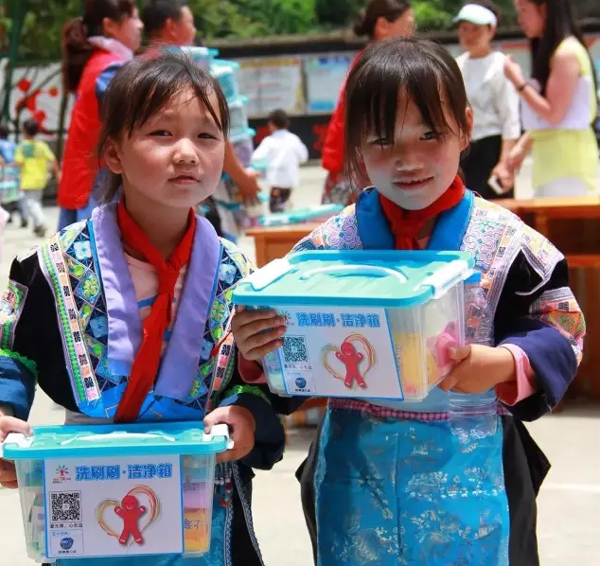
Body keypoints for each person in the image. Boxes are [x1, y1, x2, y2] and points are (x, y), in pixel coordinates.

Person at [232, 38, 585, 565]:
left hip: (475, 479)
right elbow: (285, 357)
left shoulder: (507, 244)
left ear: (465, 127)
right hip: (354, 485)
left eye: (429, 134)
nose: (408, 159)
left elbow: (561, 326)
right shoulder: (326, 251)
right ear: (356, 146)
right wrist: (259, 350)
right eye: (382, 140)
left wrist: (504, 363)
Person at [0, 52, 298, 566]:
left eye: (207, 136)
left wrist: (247, 413)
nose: (187, 153)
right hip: (89, 487)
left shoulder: (242, 277)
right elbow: (11, 353)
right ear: (113, 153)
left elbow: (260, 377)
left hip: (206, 499)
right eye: (162, 133)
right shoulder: (52, 266)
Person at [142, 0, 262, 241]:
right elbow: (209, 128)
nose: (194, 30)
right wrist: (241, 177)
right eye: (190, 23)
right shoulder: (181, 72)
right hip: (190, 190)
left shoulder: (137, 68)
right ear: (171, 27)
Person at [57, 0, 143, 231]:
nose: (140, 25)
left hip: (88, 185)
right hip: (100, 189)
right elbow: (138, 126)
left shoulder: (99, 64)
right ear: (110, 26)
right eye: (134, 18)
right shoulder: (111, 70)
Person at [321, 0, 415, 206]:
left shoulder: (368, 60)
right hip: (364, 168)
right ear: (383, 26)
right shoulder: (379, 65)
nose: (412, 33)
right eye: (409, 25)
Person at [504, 0, 598, 196]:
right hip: (556, 163)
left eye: (523, 11)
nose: (520, 19)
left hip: (568, 165)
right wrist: (524, 145)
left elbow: (553, 114)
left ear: (544, 8)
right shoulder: (559, 51)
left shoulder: (565, 54)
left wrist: (518, 82)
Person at [455, 1, 521, 199]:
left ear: (491, 30)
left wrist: (504, 162)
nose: (469, 35)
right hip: (464, 148)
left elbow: (510, 118)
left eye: (476, 29)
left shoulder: (501, 65)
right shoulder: (457, 65)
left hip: (492, 147)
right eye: (464, 28)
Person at [251, 109, 309, 213]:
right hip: (291, 180)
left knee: (275, 210)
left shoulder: (269, 141)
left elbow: (256, 157)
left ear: (271, 124)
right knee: (286, 206)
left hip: (276, 181)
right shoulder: (294, 139)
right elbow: (304, 157)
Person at [13, 119, 61, 237]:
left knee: (31, 203)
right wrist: (57, 173)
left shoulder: (22, 147)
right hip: (41, 179)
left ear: (24, 131)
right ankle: (37, 228)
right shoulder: (42, 145)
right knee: (37, 202)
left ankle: (41, 223)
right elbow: (53, 159)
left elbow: (19, 163)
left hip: (28, 180)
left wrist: (8, 166)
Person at [0, 122, 27, 226]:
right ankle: (22, 215)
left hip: (4, 171)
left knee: (2, 195)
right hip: (14, 171)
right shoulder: (13, 144)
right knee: (15, 195)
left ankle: (6, 216)